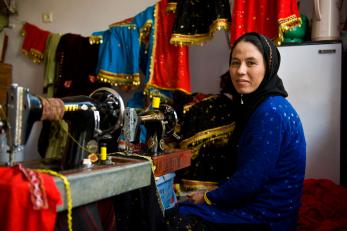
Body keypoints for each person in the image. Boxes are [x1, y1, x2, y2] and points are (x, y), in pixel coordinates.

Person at [165, 32, 306, 231]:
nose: (240, 71)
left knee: (176, 218)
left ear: (269, 66)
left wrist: (207, 197)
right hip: (263, 208)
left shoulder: (270, 113)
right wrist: (215, 191)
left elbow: (249, 182)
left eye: (251, 63)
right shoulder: (262, 105)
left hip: (266, 218)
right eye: (235, 62)